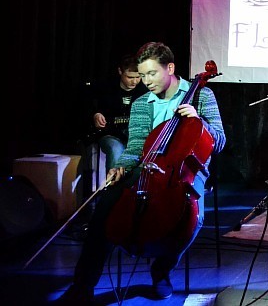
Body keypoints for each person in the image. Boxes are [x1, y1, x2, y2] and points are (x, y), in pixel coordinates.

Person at [58, 42, 226, 304]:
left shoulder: (202, 95)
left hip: (187, 171)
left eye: (152, 73)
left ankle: (162, 270)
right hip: (147, 167)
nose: (146, 81)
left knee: (192, 220)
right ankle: (83, 284)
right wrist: (121, 166)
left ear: (170, 68)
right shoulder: (141, 104)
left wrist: (199, 120)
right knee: (105, 207)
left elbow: (220, 141)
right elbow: (136, 147)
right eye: (143, 74)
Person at [86, 54, 147, 174]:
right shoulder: (105, 88)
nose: (134, 81)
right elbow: (87, 105)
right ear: (120, 71)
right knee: (116, 149)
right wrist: (96, 114)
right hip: (110, 134)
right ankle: (114, 184)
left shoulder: (145, 91)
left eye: (138, 77)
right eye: (130, 77)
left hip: (135, 136)